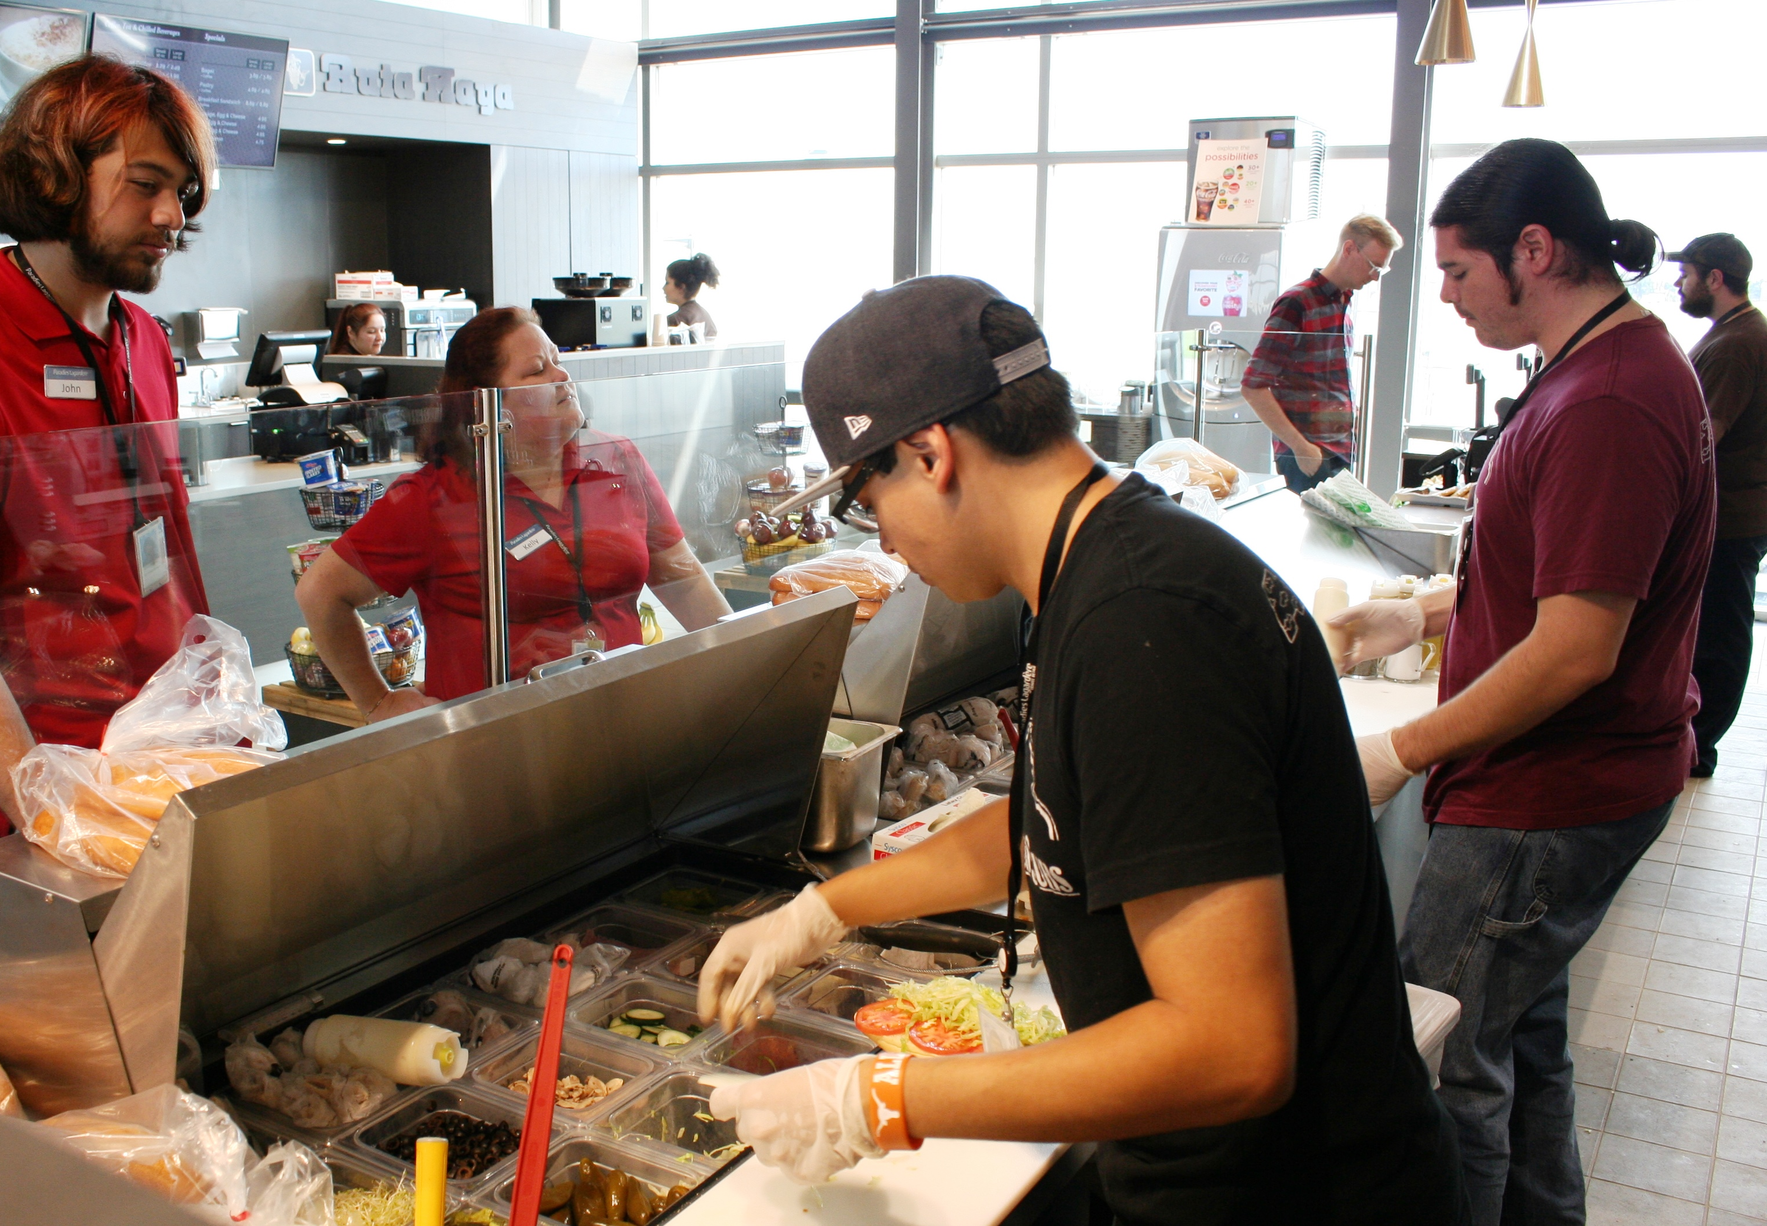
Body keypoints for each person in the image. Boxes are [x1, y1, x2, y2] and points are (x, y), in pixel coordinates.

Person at [696, 275, 1467, 1224]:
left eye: (865, 499)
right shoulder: (1100, 565)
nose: (883, 538)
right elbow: (1057, 822)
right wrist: (824, 909)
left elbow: (1231, 1051)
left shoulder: (1145, 622)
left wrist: (883, 1099)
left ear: (930, 454)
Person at [1331, 139, 1713, 1224]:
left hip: (1544, 798)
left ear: (1534, 251)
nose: (1447, 296)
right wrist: (1424, 613)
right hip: (1574, 784)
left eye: (1459, 271)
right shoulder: (1603, 367)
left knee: (1446, 1059)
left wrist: (1401, 748)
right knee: (1524, 1043)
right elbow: (1567, 569)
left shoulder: (1609, 400)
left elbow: (1578, 645)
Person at [0, 57, 215, 851]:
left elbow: (162, 560)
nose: (171, 215)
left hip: (165, 765)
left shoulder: (144, 339)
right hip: (39, 796)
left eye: (183, 192)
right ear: (55, 176)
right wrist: (55, 817)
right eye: (146, 184)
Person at [295, 307, 732, 720]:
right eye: (537, 370)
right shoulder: (434, 496)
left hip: (622, 711)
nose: (562, 376)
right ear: (489, 404)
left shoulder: (616, 458)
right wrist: (379, 704)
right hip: (497, 735)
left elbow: (684, 579)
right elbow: (320, 593)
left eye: (558, 361)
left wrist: (738, 662)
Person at [1668, 233, 1767, 777]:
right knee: (1714, 627)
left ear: (1715, 278)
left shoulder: (1737, 343)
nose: (1679, 284)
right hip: (1729, 513)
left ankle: (1700, 745)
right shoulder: (1734, 332)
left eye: (1687, 274)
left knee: (1720, 633)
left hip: (1731, 517)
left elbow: (1706, 435)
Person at [1241, 213, 1401, 492]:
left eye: (1381, 270)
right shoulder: (1297, 302)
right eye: (1374, 266)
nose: (1376, 277)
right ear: (1349, 249)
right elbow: (1253, 386)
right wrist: (1300, 447)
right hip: (1308, 454)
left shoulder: (1344, 303)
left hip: (1339, 451)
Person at [663, 253, 719, 340]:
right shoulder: (705, 315)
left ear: (681, 287)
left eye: (667, 283)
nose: (663, 288)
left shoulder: (675, 320)